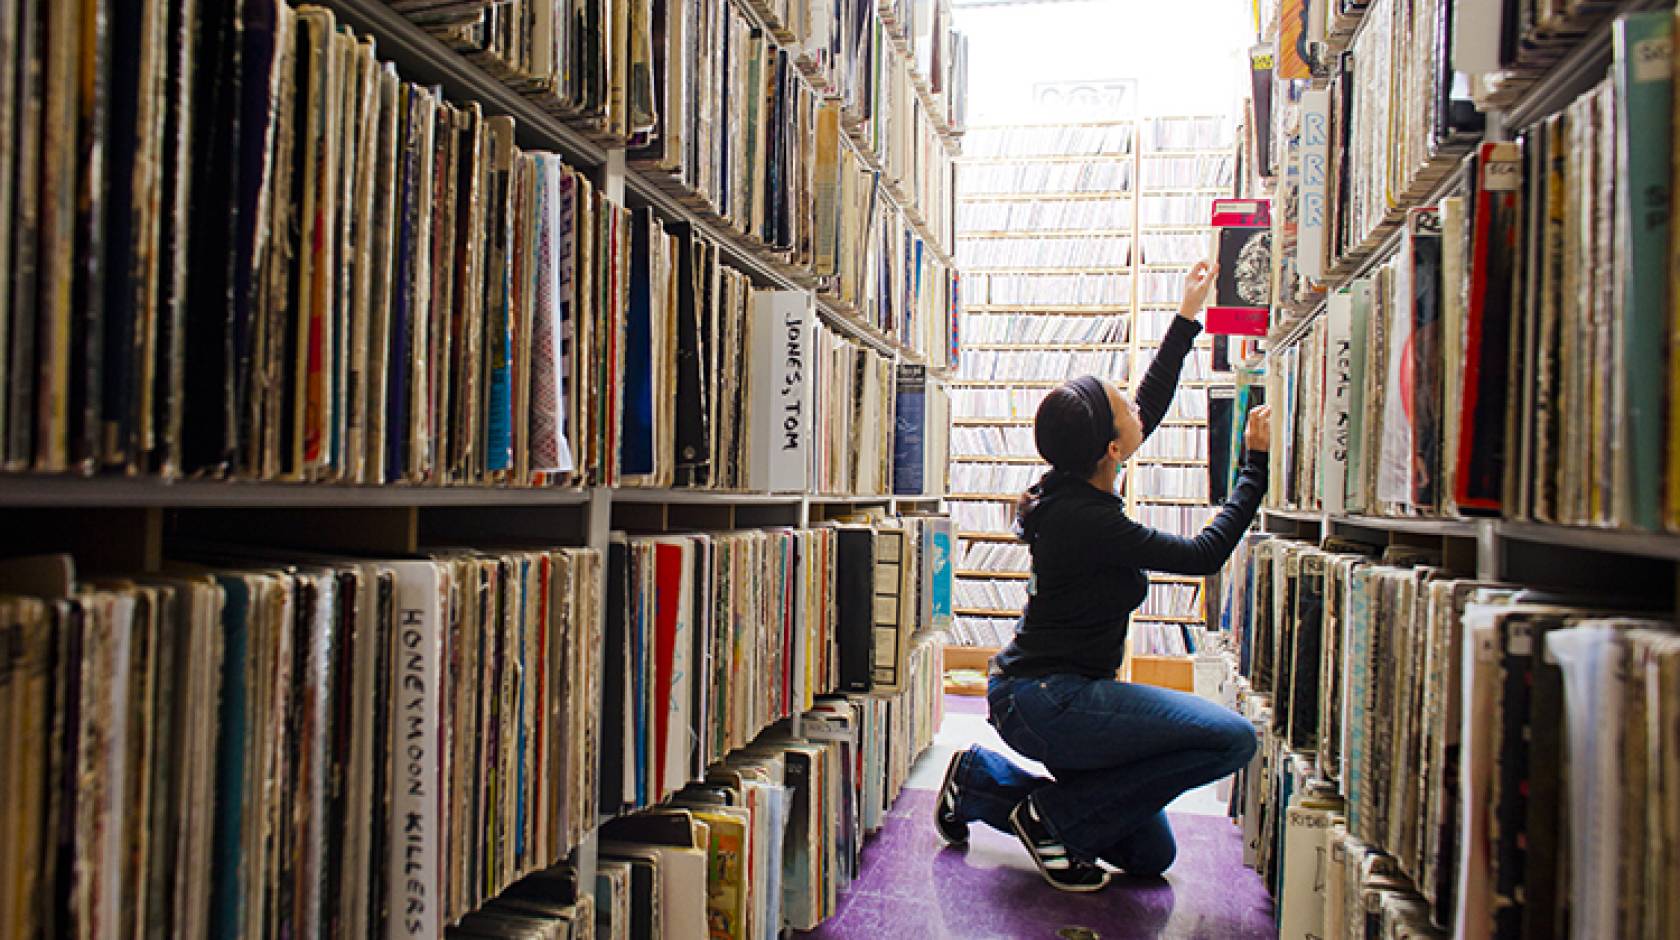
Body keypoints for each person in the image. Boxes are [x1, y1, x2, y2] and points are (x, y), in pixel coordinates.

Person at [933, 259, 1273, 892]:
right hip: (1047, 701)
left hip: (1061, 698)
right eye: (1123, 407)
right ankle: (1051, 816)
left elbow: (1147, 405)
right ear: (1111, 450)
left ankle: (981, 781)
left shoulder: (1079, 482)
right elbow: (1203, 554)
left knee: (1149, 854)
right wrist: (1255, 467)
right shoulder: (1088, 520)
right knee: (1229, 740)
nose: (1135, 407)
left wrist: (1186, 316)